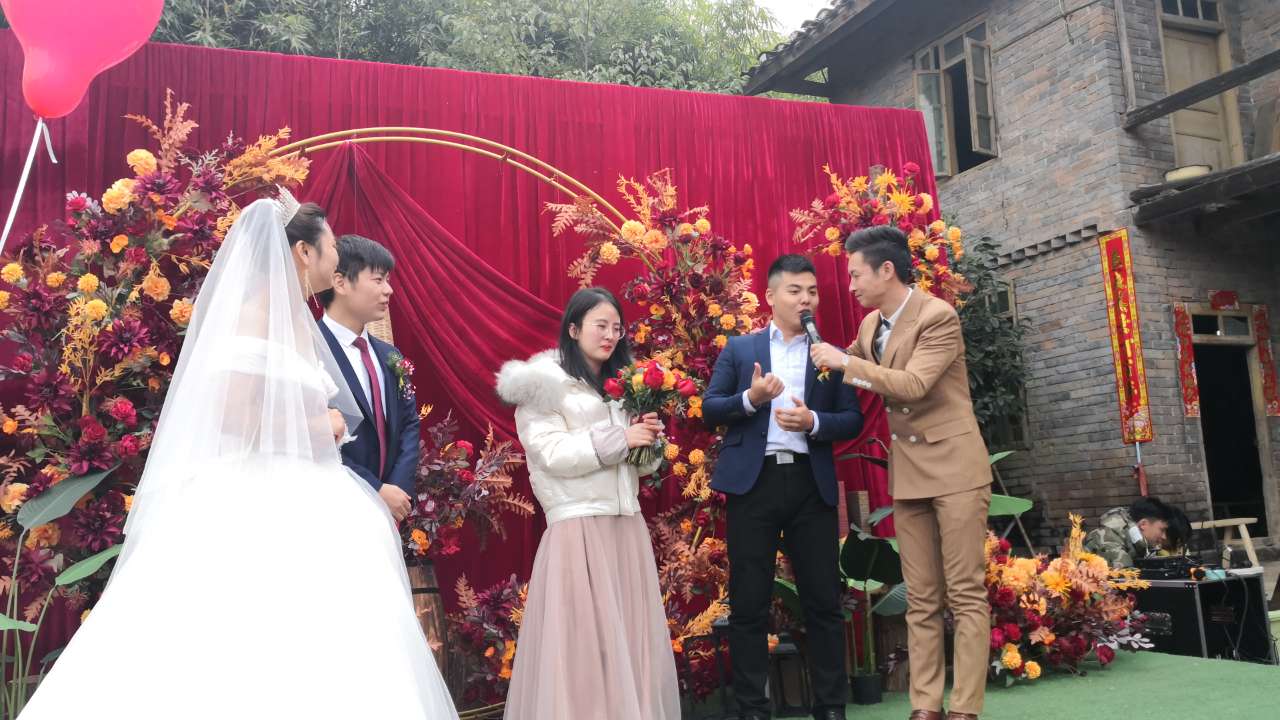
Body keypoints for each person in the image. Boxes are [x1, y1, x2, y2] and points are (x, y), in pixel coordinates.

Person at [19, 194, 458, 719]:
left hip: (312, 490)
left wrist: (320, 423)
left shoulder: (297, 320)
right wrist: (323, 424)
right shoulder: (253, 316)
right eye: (330, 246)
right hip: (260, 495)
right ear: (303, 253)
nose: (336, 256)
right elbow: (235, 417)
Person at [811, 226, 991, 720]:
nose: (850, 285)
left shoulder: (938, 315)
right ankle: (925, 706)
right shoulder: (871, 325)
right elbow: (841, 371)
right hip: (910, 472)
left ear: (886, 270)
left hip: (955, 468)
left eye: (856, 274)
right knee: (921, 596)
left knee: (965, 593)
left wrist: (844, 362)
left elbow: (913, 384)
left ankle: (965, 708)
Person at [495, 287, 679, 720]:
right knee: (581, 650)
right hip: (578, 528)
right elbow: (552, 453)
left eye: (617, 327)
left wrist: (648, 440)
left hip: (625, 527)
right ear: (574, 329)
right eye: (601, 325)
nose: (610, 335)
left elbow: (640, 467)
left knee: (631, 643)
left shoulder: (625, 385)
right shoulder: (543, 384)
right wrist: (620, 438)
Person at [703, 254, 864, 720]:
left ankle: (830, 708)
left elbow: (852, 418)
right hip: (754, 485)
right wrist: (751, 398)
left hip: (810, 485)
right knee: (749, 603)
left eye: (812, 291)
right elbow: (711, 408)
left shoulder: (829, 354)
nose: (805, 299)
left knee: (823, 601)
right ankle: (753, 709)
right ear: (771, 296)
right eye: (795, 291)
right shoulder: (741, 349)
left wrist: (814, 422)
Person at [317, 234, 420, 523]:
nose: (389, 290)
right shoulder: (311, 350)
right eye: (378, 280)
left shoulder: (390, 355)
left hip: (389, 510)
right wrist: (374, 489)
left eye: (388, 280)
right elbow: (311, 437)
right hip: (333, 505)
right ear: (340, 283)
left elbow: (409, 424)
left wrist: (396, 488)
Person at [1083, 496, 1177, 567]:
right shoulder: (1108, 538)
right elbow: (1127, 581)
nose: (1164, 536)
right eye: (1162, 530)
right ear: (1143, 524)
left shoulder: (1136, 542)